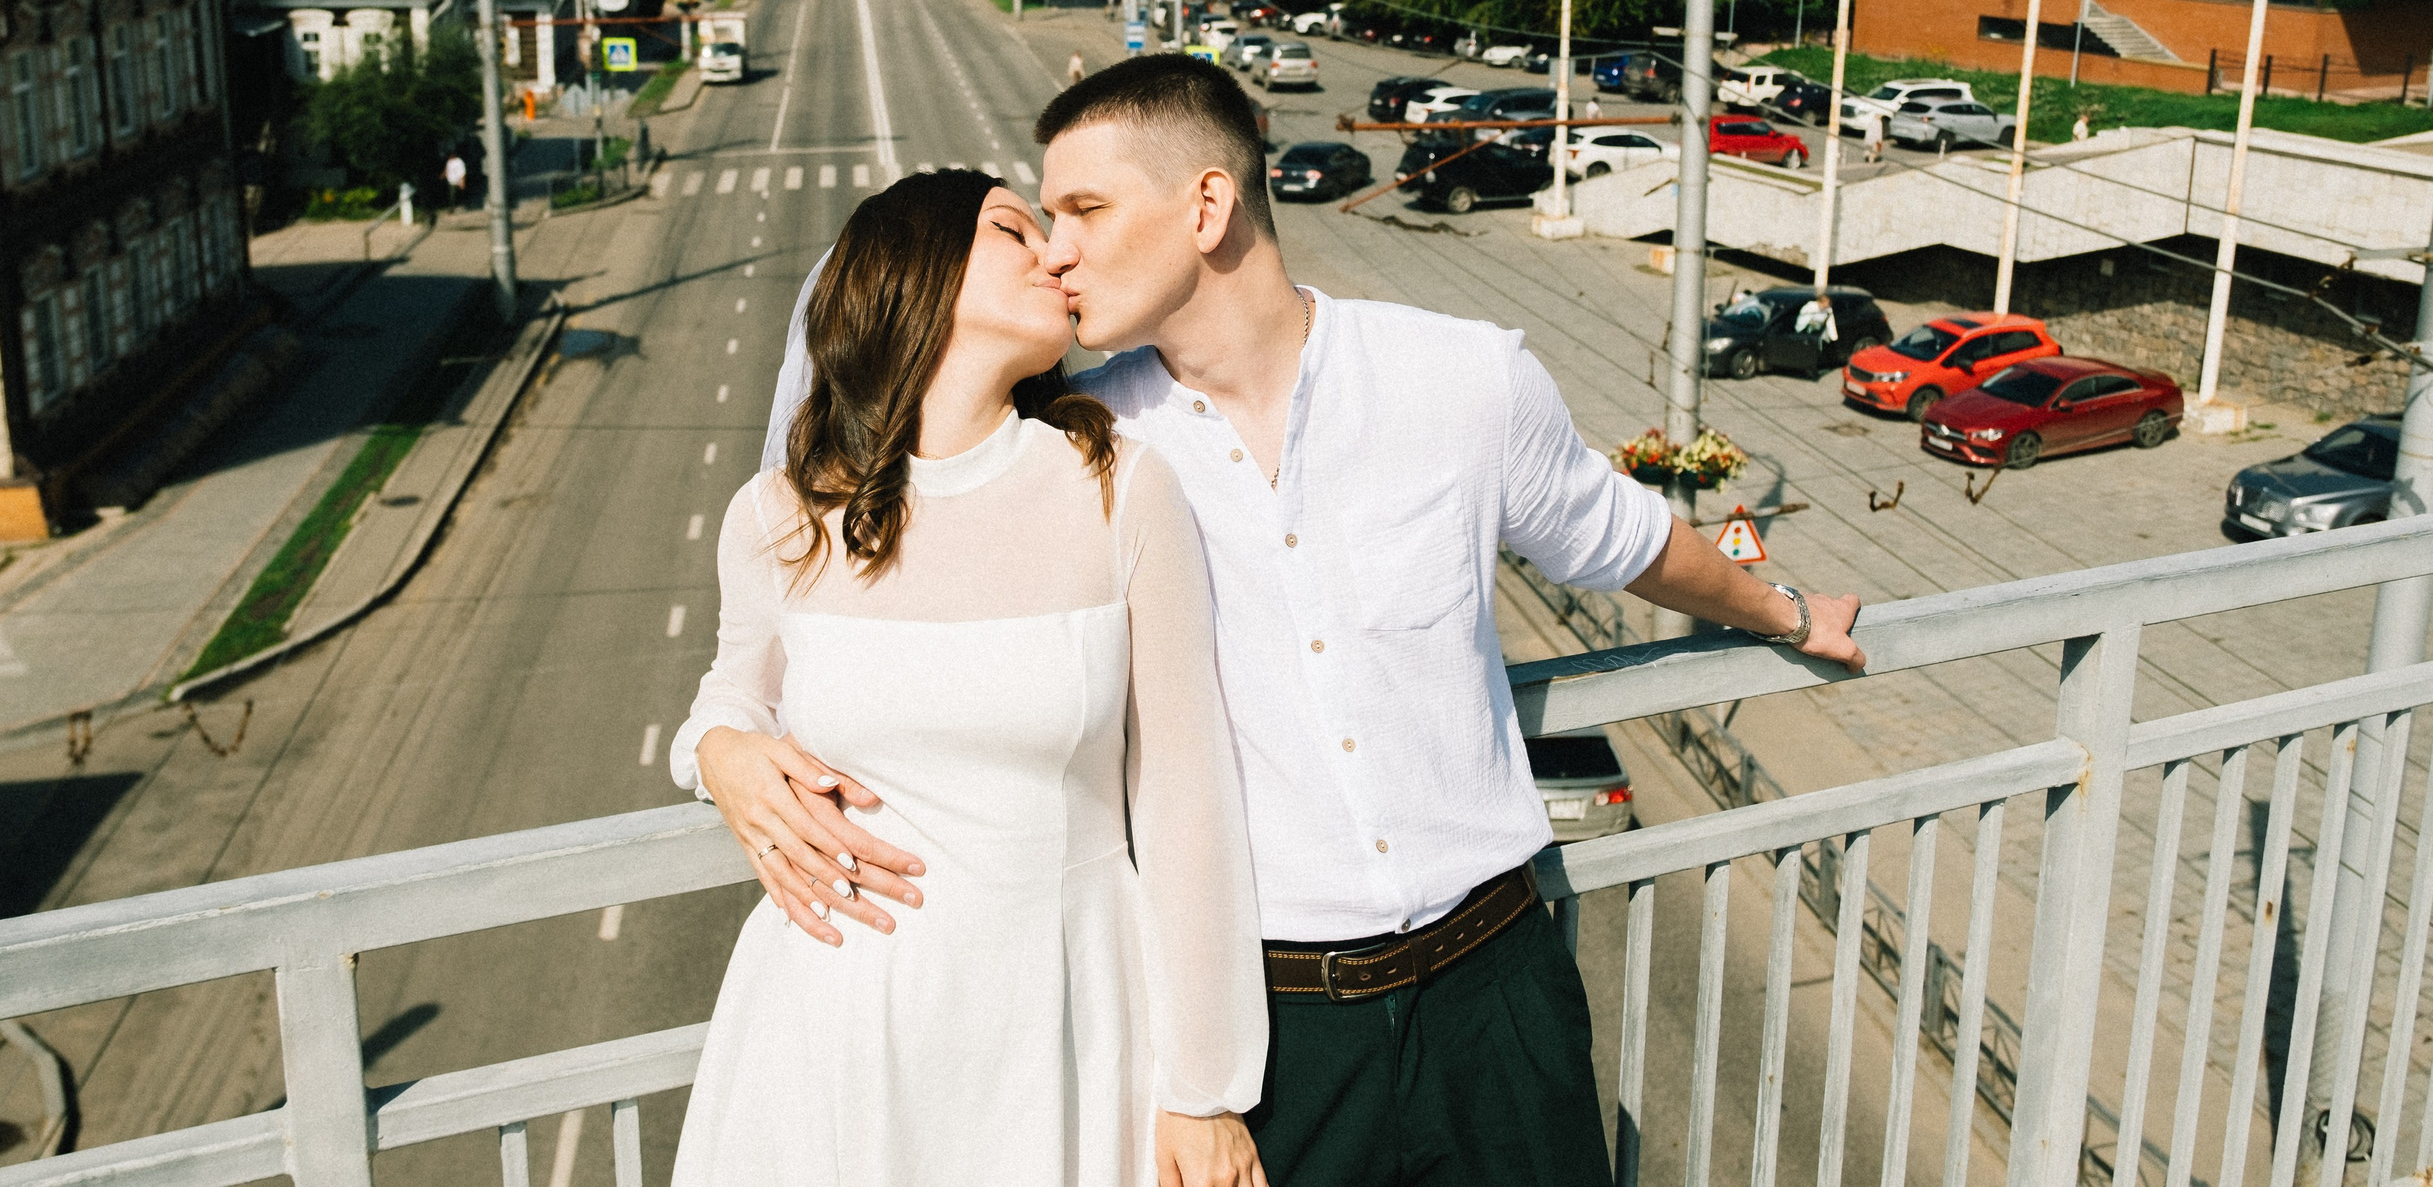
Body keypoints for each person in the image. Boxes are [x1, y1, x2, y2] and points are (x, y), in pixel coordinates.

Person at [745, 59, 1865, 1187]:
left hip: (1496, 989)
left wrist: (1786, 612)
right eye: (1043, 220)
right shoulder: (1086, 449)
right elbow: (876, 589)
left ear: (1207, 207)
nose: (1057, 250)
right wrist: (723, 738)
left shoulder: (1461, 378)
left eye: (1084, 210)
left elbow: (1627, 539)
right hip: (1278, 1045)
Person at [674, 170, 1268, 1187]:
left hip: (1067, 1019)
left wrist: (1204, 1087)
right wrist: (718, 751)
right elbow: (732, 692)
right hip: (839, 1020)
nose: (1053, 253)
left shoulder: (1118, 488)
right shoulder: (779, 515)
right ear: (917, 271)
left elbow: (1187, 800)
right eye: (1012, 230)